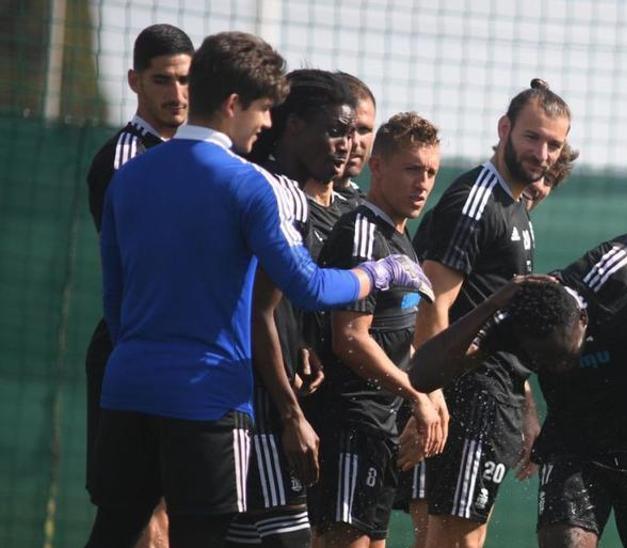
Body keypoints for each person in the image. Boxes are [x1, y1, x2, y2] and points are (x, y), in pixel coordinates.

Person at [89, 31, 430, 547]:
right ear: (232, 104)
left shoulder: (129, 176)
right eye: (263, 110)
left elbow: (114, 302)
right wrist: (381, 275)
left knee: (117, 534)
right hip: (206, 399)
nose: (268, 124)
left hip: (126, 390)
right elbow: (309, 286)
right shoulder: (246, 184)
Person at [411, 230, 627, 548]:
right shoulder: (513, 326)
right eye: (545, 361)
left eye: (565, 356)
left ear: (583, 318)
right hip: (574, 447)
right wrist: (494, 302)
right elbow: (422, 375)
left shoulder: (604, 279)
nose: (560, 368)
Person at [411, 78, 571, 548]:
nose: (542, 152)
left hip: (492, 397)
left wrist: (525, 411)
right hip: (467, 398)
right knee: (455, 540)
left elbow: (509, 328)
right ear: (504, 129)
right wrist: (431, 397)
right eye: (532, 136)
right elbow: (432, 301)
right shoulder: (476, 199)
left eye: (554, 144)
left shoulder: (516, 208)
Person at [227, 68, 359, 548]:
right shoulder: (270, 193)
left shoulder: (299, 197)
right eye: (335, 130)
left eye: (353, 132)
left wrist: (300, 341)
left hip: (267, 396)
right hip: (256, 404)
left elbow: (275, 305)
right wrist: (290, 415)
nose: (346, 145)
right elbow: (257, 310)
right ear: (294, 125)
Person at [307, 112, 443, 548]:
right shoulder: (362, 234)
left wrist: (427, 396)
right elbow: (350, 338)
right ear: (377, 167)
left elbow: (407, 333)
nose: (423, 183)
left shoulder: (400, 237)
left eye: (431, 172)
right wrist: (415, 395)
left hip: (379, 427)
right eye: (411, 169)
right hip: (349, 420)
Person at [83, 23, 193, 548]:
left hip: (185, 358)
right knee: (133, 522)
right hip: (135, 351)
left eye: (186, 80)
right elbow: (144, 269)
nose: (177, 94)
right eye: (162, 80)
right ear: (134, 81)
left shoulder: (203, 156)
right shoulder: (124, 162)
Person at [334, 72, 377, 201]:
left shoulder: (368, 209)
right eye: (346, 129)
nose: (356, 141)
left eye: (364, 130)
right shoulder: (290, 200)